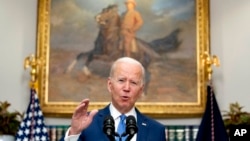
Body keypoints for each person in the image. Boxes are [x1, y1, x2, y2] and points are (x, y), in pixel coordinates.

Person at [61, 57, 166, 141]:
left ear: (141, 90)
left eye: (133, 83)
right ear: (110, 85)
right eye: (121, 80)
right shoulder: (87, 123)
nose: (126, 88)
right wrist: (74, 132)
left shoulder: (156, 130)